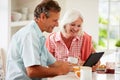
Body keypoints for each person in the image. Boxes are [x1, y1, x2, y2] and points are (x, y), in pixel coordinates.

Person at [6, 0, 71, 80]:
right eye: (55, 20)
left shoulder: (39, 37)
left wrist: (76, 67)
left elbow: (55, 63)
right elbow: (32, 71)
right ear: (43, 17)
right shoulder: (30, 35)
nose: (57, 24)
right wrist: (60, 71)